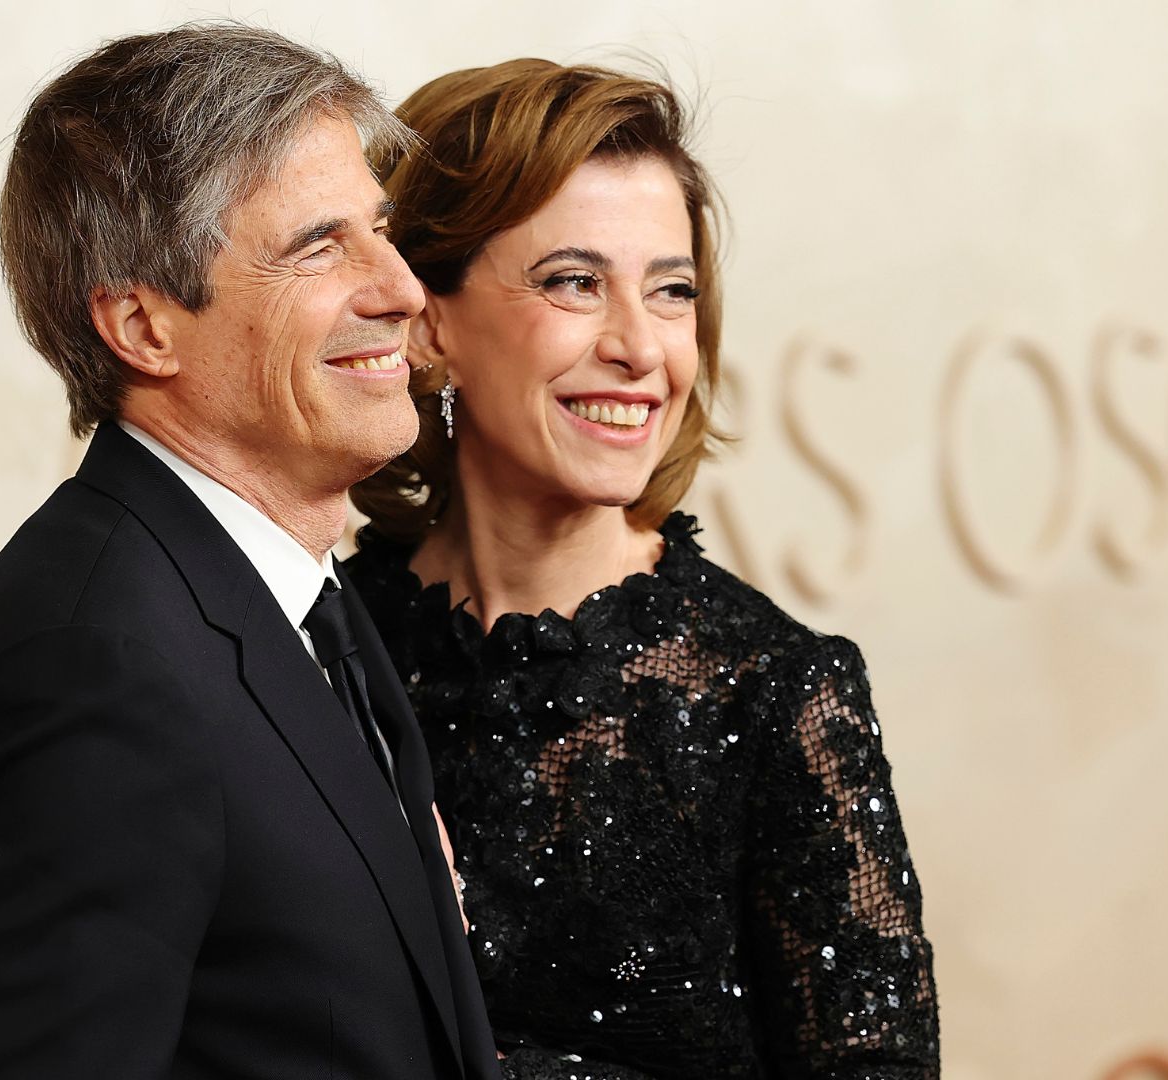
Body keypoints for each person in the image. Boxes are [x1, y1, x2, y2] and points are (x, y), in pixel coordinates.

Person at [0, 24, 498, 1078]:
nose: (398, 289)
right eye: (318, 246)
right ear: (142, 326)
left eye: (379, 232)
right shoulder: (84, 672)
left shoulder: (294, 604)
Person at [342, 59, 939, 1078]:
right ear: (429, 319)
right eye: (574, 282)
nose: (640, 347)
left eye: (672, 292)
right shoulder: (321, 648)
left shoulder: (775, 693)